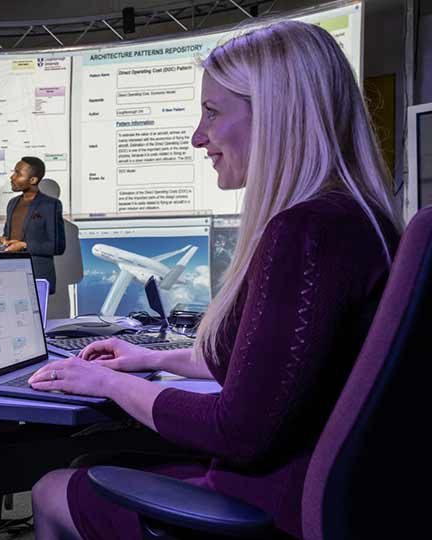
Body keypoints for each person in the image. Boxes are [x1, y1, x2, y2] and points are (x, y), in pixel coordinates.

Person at [28, 21, 402, 540]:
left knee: (51, 487)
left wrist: (107, 383)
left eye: (212, 111)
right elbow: (266, 372)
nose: (197, 136)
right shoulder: (359, 221)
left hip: (270, 508)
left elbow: (238, 429)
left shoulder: (305, 232)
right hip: (328, 495)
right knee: (96, 461)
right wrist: (150, 359)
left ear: (274, 115)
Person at [0, 156, 66, 294]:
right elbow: (7, 234)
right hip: (11, 276)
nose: (12, 177)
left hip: (37, 278)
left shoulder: (50, 205)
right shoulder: (12, 203)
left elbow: (58, 246)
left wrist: (24, 245)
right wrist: (2, 241)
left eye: (18, 173)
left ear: (33, 180)